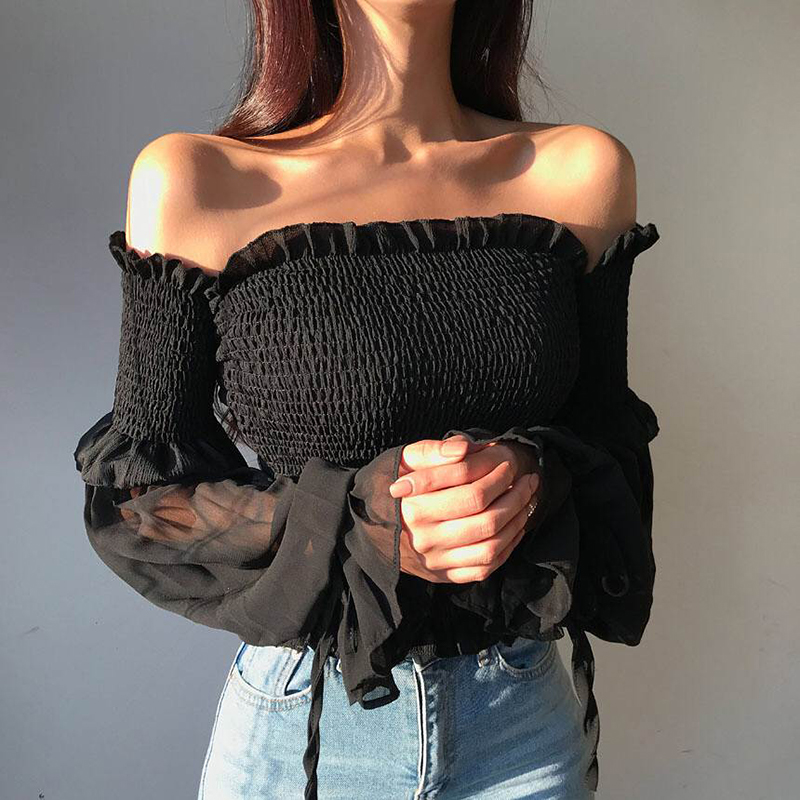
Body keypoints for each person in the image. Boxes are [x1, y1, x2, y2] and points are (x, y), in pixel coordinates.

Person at [73, 1, 661, 798]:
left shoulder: (579, 172)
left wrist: (529, 476)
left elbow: (611, 465)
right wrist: (359, 519)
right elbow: (143, 505)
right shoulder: (197, 181)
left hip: (521, 731)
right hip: (304, 735)